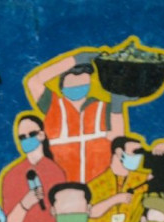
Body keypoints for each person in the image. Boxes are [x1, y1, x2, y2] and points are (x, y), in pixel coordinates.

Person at [25, 51, 131, 183]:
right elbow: (33, 81)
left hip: (98, 186)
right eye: (73, 79)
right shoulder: (52, 105)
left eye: (83, 80)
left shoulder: (103, 108)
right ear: (62, 84)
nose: (78, 84)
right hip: (62, 188)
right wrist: (74, 60)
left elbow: (118, 140)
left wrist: (117, 105)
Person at [0, 113, 67, 222]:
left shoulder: (56, 173)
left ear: (42, 135)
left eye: (31, 134)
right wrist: (24, 204)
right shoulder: (11, 176)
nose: (27, 139)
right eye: (22, 137)